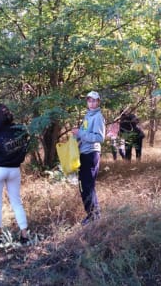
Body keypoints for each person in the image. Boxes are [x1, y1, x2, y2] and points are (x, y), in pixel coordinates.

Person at [0, 104, 30, 247]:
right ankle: (24, 235)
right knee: (16, 202)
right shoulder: (20, 131)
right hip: (14, 170)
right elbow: (24, 147)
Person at [72, 91, 105, 226]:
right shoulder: (88, 115)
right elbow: (84, 133)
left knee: (88, 186)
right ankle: (92, 214)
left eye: (94, 100)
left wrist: (80, 133)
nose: (91, 103)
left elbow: (99, 137)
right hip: (84, 154)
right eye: (89, 100)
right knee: (85, 186)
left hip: (91, 154)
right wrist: (75, 136)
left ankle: (93, 216)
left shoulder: (98, 116)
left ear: (98, 102)